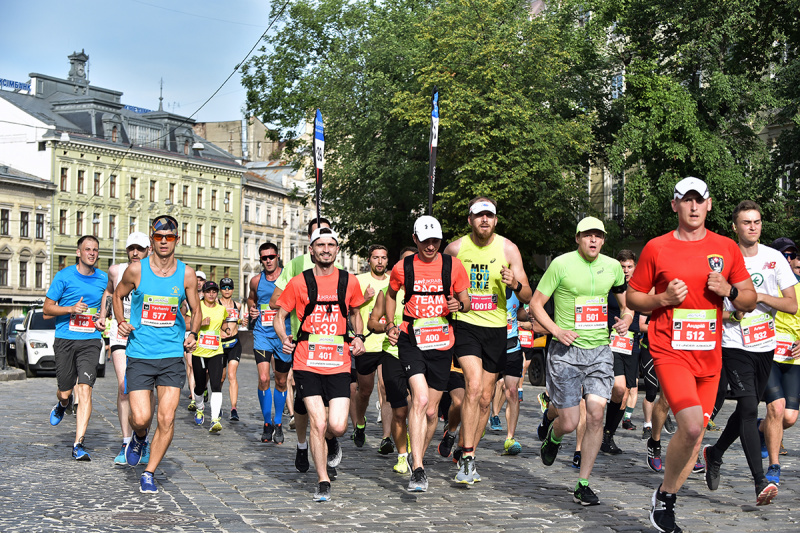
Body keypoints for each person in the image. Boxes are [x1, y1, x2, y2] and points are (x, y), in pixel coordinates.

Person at [626, 177, 756, 532]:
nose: (694, 207)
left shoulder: (726, 247)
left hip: (709, 355)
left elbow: (749, 298)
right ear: (675, 206)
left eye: (700, 200)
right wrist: (662, 300)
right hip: (669, 349)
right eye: (687, 201)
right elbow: (634, 296)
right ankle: (666, 500)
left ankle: (664, 497)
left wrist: (728, 289)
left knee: (695, 436)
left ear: (709, 205)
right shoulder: (657, 248)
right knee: (693, 424)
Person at [531, 216, 631, 506]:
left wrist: (625, 321)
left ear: (603, 240)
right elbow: (536, 304)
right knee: (571, 421)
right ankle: (554, 435)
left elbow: (627, 307)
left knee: (596, 415)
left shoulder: (613, 267)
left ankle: (583, 483)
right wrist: (556, 331)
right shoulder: (561, 264)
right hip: (566, 352)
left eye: (598, 236)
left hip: (600, 350)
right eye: (587, 235)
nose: (593, 241)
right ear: (577, 238)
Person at [702, 200, 796, 505]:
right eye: (746, 222)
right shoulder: (722, 259)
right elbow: (710, 305)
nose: (752, 227)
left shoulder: (774, 259)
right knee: (748, 407)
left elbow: (791, 304)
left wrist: (758, 297)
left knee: (745, 410)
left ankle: (714, 453)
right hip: (733, 344)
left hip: (765, 346)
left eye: (756, 222)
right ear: (735, 227)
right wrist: (732, 312)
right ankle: (760, 482)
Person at [443, 197, 532, 484]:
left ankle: (466, 449)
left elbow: (528, 294)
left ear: (495, 220)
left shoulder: (508, 249)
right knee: (474, 386)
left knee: (484, 400)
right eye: (479, 216)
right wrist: (451, 304)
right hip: (467, 326)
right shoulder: (455, 249)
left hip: (497, 330)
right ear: (469, 220)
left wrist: (514, 284)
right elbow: (440, 290)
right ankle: (467, 459)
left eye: (489, 216)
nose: (484, 220)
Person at [274, 227, 366, 502]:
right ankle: (323, 479)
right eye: (320, 245)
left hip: (338, 362)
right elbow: (280, 315)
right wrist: (284, 339)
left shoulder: (349, 282)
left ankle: (331, 440)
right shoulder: (299, 282)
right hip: (306, 361)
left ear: (337, 250)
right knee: (318, 420)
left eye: (331, 245)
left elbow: (356, 313)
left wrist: (359, 337)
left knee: (337, 426)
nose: (326, 249)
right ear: (311, 250)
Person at [114, 215, 201, 494]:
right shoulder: (136, 270)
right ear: (152, 240)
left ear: (177, 240)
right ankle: (139, 437)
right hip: (140, 353)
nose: (164, 242)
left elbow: (196, 311)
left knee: (166, 418)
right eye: (159, 237)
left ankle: (149, 472)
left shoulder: (186, 273)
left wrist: (193, 333)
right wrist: (121, 321)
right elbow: (117, 296)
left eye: (170, 237)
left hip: (171, 356)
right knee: (141, 418)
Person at [386, 215, 471, 491]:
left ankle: (417, 452)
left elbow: (467, 302)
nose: (431, 246)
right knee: (420, 400)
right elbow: (390, 294)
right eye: (425, 241)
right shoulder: (404, 267)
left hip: (442, 343)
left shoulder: (452, 265)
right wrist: (390, 324)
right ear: (415, 240)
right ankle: (419, 469)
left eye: (435, 241)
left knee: (433, 411)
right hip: (412, 340)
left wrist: (458, 303)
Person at [269, 218, 337, 470]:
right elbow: (276, 301)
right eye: (318, 238)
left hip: (333, 346)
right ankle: (301, 444)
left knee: (330, 404)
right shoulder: (297, 266)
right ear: (310, 243)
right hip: (303, 343)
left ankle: (328, 438)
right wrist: (298, 297)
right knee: (302, 401)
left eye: (329, 238)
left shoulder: (336, 266)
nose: (325, 246)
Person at [44, 235, 108, 461]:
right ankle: (63, 403)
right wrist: (71, 308)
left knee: (86, 389)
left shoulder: (103, 278)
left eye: (95, 250)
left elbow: (106, 302)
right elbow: (46, 310)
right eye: (87, 249)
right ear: (79, 253)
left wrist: (103, 318)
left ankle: (78, 443)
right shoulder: (64, 277)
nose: (92, 253)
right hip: (65, 339)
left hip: (90, 340)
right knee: (65, 391)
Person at [96, 231, 152, 465]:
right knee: (123, 386)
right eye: (131, 248)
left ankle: (143, 439)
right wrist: (103, 314)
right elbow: (110, 292)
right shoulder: (116, 271)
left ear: (148, 249)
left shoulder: (155, 273)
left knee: (147, 391)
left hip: (147, 336)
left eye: (140, 248)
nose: (135, 252)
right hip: (120, 332)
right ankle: (126, 441)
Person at [368, 246, 417, 473]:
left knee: (423, 407)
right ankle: (401, 454)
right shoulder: (388, 293)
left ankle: (417, 452)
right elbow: (372, 323)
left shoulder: (430, 291)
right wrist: (387, 327)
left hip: (420, 355)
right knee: (399, 409)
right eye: (404, 264)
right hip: (392, 354)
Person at [757, 237, 800, 487]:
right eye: (783, 254)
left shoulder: (794, 286)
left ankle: (761, 428)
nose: (788, 258)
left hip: (793, 357)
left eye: (791, 255)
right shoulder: (765, 281)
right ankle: (774, 466)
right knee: (777, 408)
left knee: (790, 417)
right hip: (767, 352)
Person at [247, 242, 291, 444]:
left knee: (281, 382)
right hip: (262, 334)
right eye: (264, 258)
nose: (268, 261)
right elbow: (251, 299)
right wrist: (252, 309)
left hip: (283, 336)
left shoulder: (288, 279)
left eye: (271, 257)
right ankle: (267, 423)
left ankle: (278, 422)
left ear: (278, 256)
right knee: (264, 378)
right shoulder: (256, 280)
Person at [601, 249, 643, 454]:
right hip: (610, 340)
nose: (626, 270)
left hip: (631, 343)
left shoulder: (639, 287)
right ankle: (598, 430)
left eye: (629, 266)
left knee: (625, 393)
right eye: (622, 266)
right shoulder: (610, 285)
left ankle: (608, 435)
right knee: (617, 388)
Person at [352, 244, 390, 449]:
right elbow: (349, 308)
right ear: (369, 261)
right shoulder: (359, 280)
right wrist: (363, 298)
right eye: (376, 258)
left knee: (385, 388)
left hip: (387, 344)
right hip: (366, 343)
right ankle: (359, 423)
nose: (380, 262)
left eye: (383, 258)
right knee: (365, 391)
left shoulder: (394, 282)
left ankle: (386, 437)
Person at [191, 280, 228, 433]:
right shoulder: (197, 307)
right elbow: (187, 323)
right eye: (208, 292)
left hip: (216, 351)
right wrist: (199, 323)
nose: (211, 294)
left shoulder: (221, 309)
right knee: (200, 386)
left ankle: (214, 419)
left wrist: (226, 329)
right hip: (199, 351)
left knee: (216, 384)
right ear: (203, 293)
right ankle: (199, 409)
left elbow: (224, 321)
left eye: (214, 292)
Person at [218, 277, 247, 421]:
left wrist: (242, 321)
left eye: (229, 288)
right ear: (220, 290)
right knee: (221, 377)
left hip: (235, 343)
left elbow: (236, 321)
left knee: (231, 375)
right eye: (224, 288)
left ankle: (234, 409)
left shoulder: (238, 305)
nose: (227, 290)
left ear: (233, 289)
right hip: (220, 344)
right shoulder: (216, 305)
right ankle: (217, 405)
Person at [186, 270, 207, 410]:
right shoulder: (187, 295)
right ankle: (194, 396)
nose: (198, 282)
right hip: (188, 334)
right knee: (191, 365)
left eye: (201, 280)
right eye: (196, 279)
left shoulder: (211, 298)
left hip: (205, 336)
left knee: (204, 370)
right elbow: (182, 319)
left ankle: (202, 387)